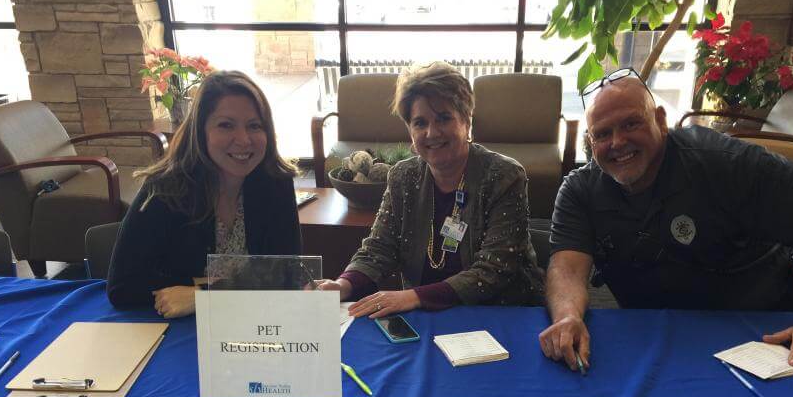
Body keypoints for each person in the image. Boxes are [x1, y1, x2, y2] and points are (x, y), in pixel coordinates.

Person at [539, 70, 793, 375]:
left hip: (764, 331)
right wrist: (567, 317)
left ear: (661, 121)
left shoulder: (724, 162)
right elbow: (567, 267)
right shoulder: (579, 190)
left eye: (631, 123)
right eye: (603, 134)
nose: (618, 142)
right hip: (657, 338)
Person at [313, 62, 543, 315]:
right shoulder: (403, 176)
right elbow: (379, 247)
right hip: (426, 315)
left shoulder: (504, 176)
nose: (432, 133)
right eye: (420, 123)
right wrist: (343, 285)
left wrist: (413, 296)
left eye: (444, 118)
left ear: (467, 121)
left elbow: (494, 270)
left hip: (500, 313)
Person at [107, 70, 301, 317]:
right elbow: (122, 288)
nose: (243, 139)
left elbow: (286, 276)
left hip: (257, 323)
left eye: (254, 126)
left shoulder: (276, 183)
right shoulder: (165, 188)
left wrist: (206, 295)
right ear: (201, 131)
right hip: (181, 330)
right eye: (226, 125)